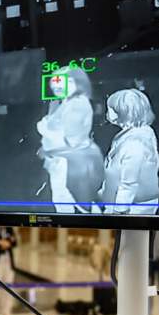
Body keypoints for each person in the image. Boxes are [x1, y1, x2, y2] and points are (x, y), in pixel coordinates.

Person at [38, 66, 104, 213]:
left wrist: (45, 129)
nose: (57, 88)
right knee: (64, 200)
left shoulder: (78, 104)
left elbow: (70, 138)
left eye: (62, 84)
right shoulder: (65, 103)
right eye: (54, 85)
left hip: (72, 162)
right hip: (62, 161)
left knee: (76, 201)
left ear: (78, 83)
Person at [98, 89, 159, 215]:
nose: (107, 112)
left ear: (123, 111)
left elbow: (129, 183)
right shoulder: (133, 133)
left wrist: (119, 211)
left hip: (133, 208)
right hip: (121, 203)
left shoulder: (135, 144)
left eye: (110, 108)